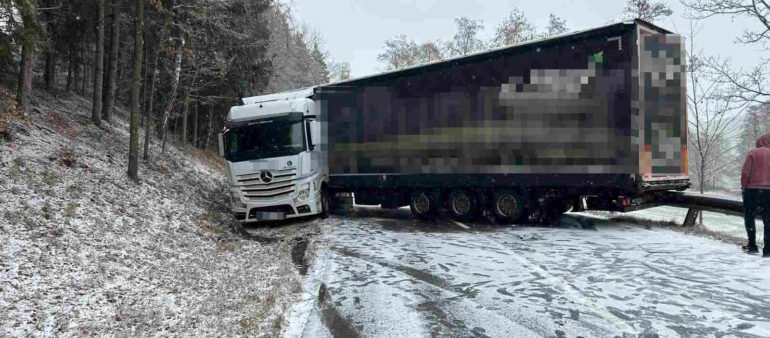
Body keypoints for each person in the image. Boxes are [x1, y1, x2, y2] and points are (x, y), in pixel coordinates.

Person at [741, 132, 770, 256]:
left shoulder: (753, 153)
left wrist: (744, 186)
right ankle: (768, 250)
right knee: (768, 220)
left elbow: (745, 173)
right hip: (769, 192)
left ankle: (752, 246)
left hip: (752, 190)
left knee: (749, 217)